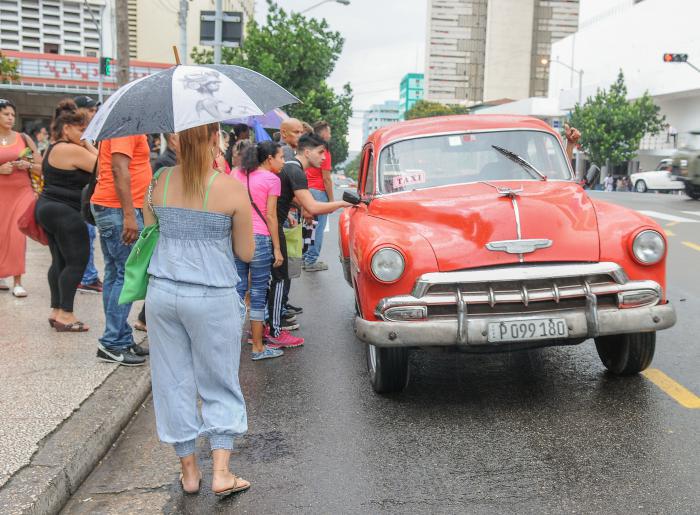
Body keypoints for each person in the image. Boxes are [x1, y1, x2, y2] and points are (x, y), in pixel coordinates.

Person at [144, 122, 254, 496]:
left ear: (175, 139)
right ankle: (222, 472)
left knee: (172, 380)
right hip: (212, 295)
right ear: (212, 140)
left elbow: (149, 231)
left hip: (162, 292)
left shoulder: (158, 181)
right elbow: (246, 253)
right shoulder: (230, 188)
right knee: (218, 379)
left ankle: (189, 472)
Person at [267, 133, 350, 344]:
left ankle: (267, 327)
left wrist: (296, 207)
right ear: (307, 151)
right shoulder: (296, 170)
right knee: (279, 279)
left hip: (275, 225)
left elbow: (285, 196)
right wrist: (341, 204)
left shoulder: (292, 167)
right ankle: (274, 332)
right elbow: (313, 206)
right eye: (320, 152)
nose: (324, 158)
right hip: (273, 229)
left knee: (276, 278)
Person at [36, 99, 98, 331]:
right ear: (67, 128)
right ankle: (66, 315)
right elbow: (104, 165)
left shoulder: (54, 147)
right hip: (64, 212)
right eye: (82, 130)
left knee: (60, 261)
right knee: (77, 261)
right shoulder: (70, 149)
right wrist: (89, 144)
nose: (85, 135)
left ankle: (57, 310)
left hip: (48, 208)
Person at [91, 133, 152, 366]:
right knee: (126, 276)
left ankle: (120, 337)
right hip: (118, 209)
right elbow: (118, 167)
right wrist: (129, 214)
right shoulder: (126, 128)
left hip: (116, 207)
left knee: (116, 273)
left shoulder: (129, 127)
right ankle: (111, 343)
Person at [233, 141, 286, 360]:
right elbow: (271, 216)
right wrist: (277, 248)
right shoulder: (272, 179)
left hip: (237, 237)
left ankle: (230, 347)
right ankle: (257, 347)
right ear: (268, 159)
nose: (283, 161)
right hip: (261, 240)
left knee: (236, 292)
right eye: (281, 156)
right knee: (257, 294)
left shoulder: (236, 174)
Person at [0, 98, 42, 297]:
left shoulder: (24, 138)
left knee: (17, 234)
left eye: (12, 115)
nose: (10, 118)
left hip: (22, 191)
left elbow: (42, 167)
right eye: (6, 114)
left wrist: (28, 165)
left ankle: (18, 280)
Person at [74, 96, 103, 294]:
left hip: (88, 192)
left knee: (88, 236)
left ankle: (88, 275)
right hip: (77, 194)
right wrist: (88, 144)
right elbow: (100, 163)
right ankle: (87, 277)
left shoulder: (90, 136)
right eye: (91, 110)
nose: (94, 114)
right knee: (86, 236)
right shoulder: (80, 137)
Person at [302, 121, 334, 272]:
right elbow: (327, 179)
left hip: (308, 191)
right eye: (328, 132)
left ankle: (305, 257)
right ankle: (311, 260)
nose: (330, 135)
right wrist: (332, 201)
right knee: (318, 228)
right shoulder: (324, 152)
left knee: (309, 227)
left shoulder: (310, 149)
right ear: (322, 133)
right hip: (319, 193)